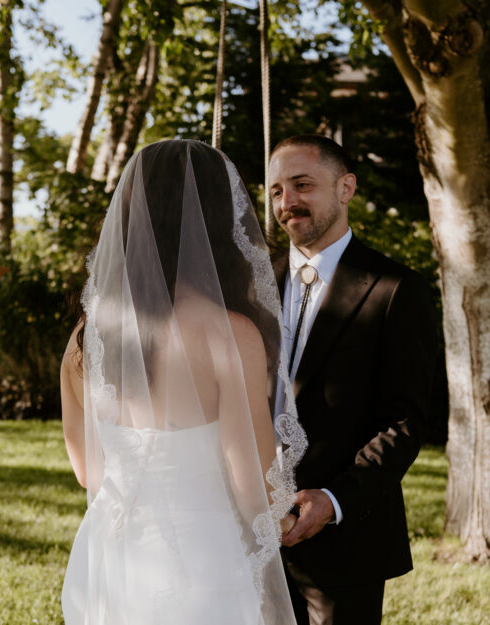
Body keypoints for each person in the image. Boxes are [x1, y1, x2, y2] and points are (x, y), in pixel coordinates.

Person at [59, 139, 305, 625]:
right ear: (219, 221)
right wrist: (290, 519)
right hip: (201, 561)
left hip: (109, 558)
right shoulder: (228, 333)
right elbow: (251, 483)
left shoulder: (85, 335)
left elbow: (89, 472)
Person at [267, 134, 437, 625]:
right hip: (252, 535)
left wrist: (335, 500)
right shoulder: (252, 285)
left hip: (345, 542)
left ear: (346, 188)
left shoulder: (395, 290)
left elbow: (404, 423)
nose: (287, 202)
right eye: (277, 190)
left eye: (302, 184)